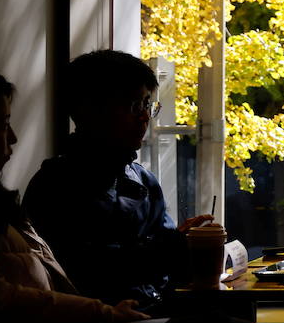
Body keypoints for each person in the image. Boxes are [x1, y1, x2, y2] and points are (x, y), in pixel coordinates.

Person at [22, 50, 210, 309]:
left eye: (147, 105)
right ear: (90, 111)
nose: (144, 117)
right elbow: (84, 272)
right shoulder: (54, 186)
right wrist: (170, 249)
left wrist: (189, 244)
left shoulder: (143, 180)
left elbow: (173, 268)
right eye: (134, 106)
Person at [0, 70, 148, 323]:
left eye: (146, 106)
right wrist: (104, 314)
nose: (13, 138)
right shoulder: (56, 185)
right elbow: (1, 300)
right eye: (3, 124)